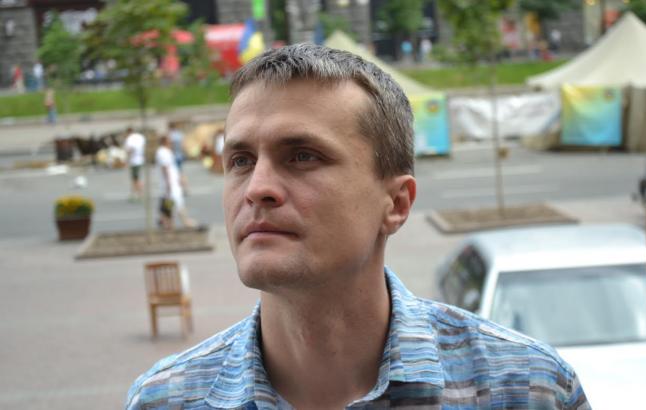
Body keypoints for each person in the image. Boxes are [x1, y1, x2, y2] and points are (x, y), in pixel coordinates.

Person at [127, 44, 590, 409]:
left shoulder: (526, 390)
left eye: (302, 156)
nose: (257, 188)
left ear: (396, 203)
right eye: (241, 160)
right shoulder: (164, 400)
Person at [155, 135, 196, 229]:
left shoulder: (167, 151)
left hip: (172, 182)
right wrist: (168, 183)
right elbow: (165, 168)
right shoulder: (162, 152)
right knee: (175, 202)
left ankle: (166, 221)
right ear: (164, 142)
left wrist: (180, 178)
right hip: (169, 183)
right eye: (169, 141)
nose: (171, 143)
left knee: (169, 202)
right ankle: (183, 221)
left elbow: (172, 167)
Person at [123, 127, 146, 201]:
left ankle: (140, 194)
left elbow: (130, 149)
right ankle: (133, 194)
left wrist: (127, 160)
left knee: (135, 178)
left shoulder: (129, 139)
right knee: (134, 178)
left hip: (134, 161)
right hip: (140, 159)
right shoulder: (140, 137)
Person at [168, 121, 189, 193]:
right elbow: (183, 145)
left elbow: (170, 147)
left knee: (176, 173)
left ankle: (182, 188)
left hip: (174, 156)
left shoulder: (171, 135)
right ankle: (184, 188)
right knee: (180, 172)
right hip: (180, 155)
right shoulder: (179, 134)